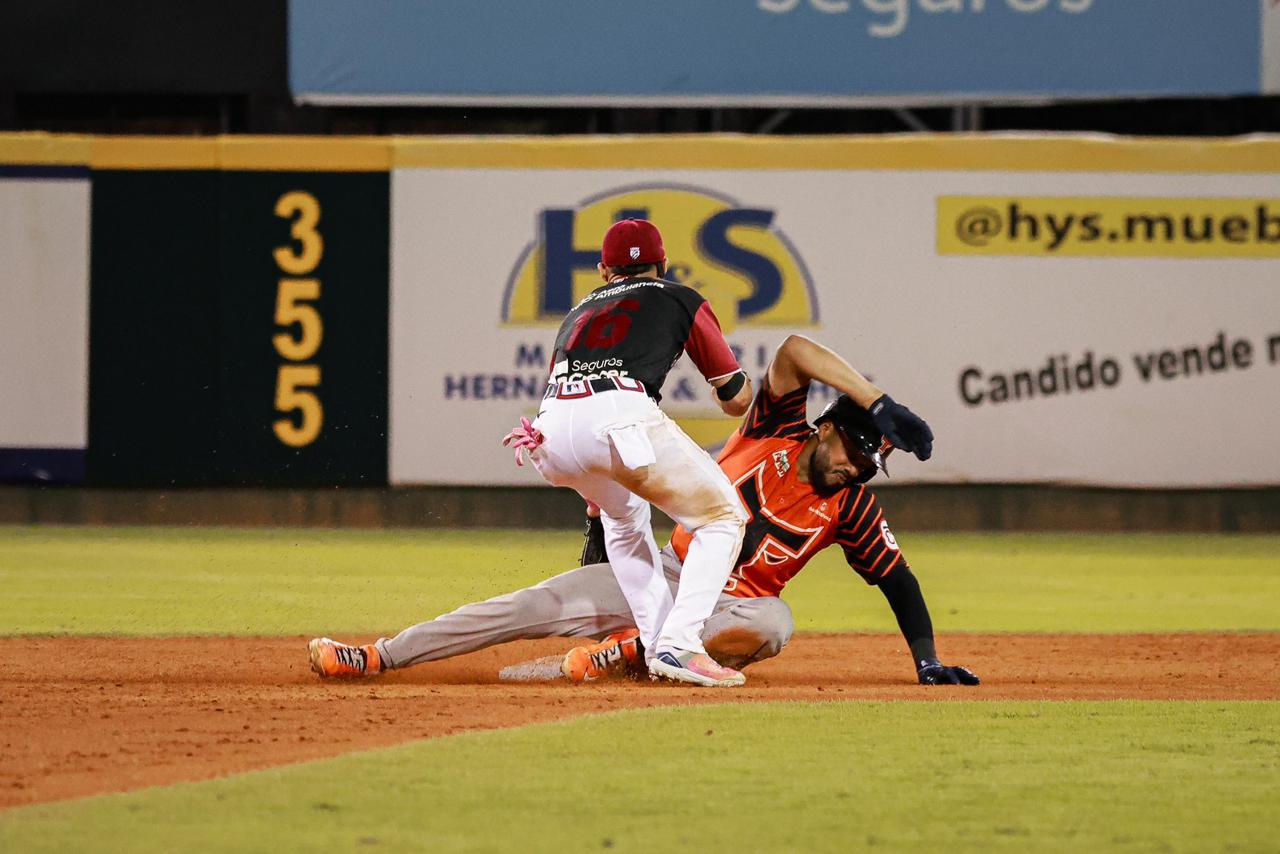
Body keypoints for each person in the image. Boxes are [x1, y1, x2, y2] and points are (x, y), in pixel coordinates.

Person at [308, 334, 979, 687]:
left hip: (726, 613)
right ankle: (377, 656)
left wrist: (926, 660)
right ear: (826, 426)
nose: (857, 465)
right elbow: (795, 351)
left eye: (870, 461)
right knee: (531, 605)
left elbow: (898, 580)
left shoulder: (851, 508)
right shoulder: (775, 427)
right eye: (855, 448)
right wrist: (878, 400)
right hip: (661, 575)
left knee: (773, 622)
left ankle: (634, 651)